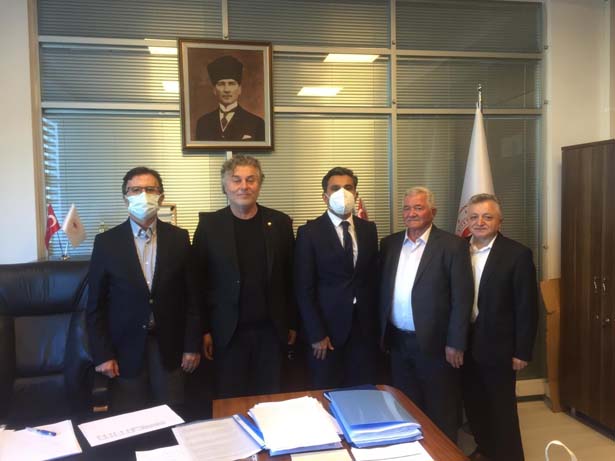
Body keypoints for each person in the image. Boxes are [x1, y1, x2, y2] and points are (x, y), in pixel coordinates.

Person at [87, 166, 201, 411]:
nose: (143, 195)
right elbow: (95, 305)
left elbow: (193, 298)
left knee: (173, 415)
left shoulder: (179, 238)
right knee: (130, 420)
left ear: (161, 196)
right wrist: (103, 354)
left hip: (170, 347)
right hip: (124, 349)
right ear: (125, 197)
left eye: (150, 189)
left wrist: (192, 345)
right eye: (136, 190)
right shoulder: (106, 243)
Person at [192, 155, 296, 398]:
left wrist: (292, 322)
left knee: (271, 400)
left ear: (260, 184)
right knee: (231, 400)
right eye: (236, 180)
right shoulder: (209, 225)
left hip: (271, 332)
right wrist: (204, 330)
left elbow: (291, 277)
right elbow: (198, 282)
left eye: (251, 179)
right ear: (225, 185)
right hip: (227, 333)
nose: (244, 186)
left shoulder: (280, 223)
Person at [379, 186, 473, 442]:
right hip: (398, 343)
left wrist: (456, 342)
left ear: (433, 211)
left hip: (436, 345)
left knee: (441, 410)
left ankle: (444, 454)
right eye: (407, 208)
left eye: (418, 208)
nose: (411, 213)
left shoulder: (452, 246)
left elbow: (462, 298)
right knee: (405, 406)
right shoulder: (389, 244)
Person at [461, 193, 538, 461]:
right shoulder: (458, 250)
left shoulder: (517, 254)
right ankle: (485, 449)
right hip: (464, 343)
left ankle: (509, 456)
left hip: (500, 347)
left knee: (501, 409)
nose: (479, 222)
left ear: (499, 221)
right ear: (467, 220)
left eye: (487, 216)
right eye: (474, 217)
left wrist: (522, 351)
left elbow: (527, 307)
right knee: (474, 404)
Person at [295, 167, 379, 388]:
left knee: (363, 393)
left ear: (356, 195)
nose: (343, 193)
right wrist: (316, 333)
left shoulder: (369, 229)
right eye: (335, 188)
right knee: (327, 392)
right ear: (325, 196)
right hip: (327, 332)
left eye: (348, 188)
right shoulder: (309, 233)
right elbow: (304, 288)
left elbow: (372, 278)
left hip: (363, 330)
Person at [195, 55, 265, 142]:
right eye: (221, 84)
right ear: (214, 90)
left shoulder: (256, 123)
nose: (226, 90)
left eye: (231, 84)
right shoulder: (203, 123)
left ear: (239, 89)